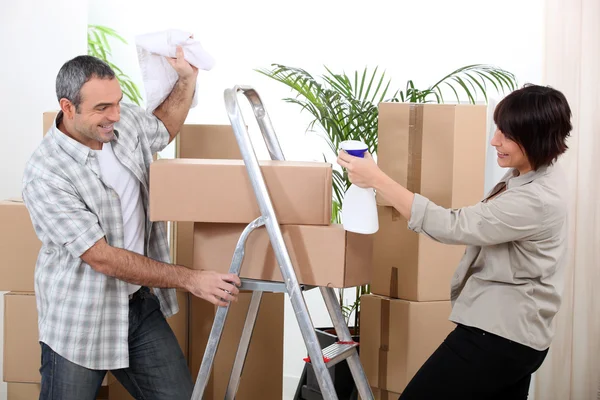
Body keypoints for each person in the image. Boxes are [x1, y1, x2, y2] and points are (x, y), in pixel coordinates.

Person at [22, 49, 241, 400]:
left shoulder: (122, 127)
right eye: (102, 108)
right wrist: (192, 279)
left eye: (118, 102)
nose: (116, 115)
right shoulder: (46, 173)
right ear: (68, 107)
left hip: (137, 305)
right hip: (80, 316)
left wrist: (187, 78)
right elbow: (102, 258)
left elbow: (163, 127)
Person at [337, 84, 572, 400]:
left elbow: (454, 226)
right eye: (498, 128)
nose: (494, 140)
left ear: (537, 137)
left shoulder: (536, 199)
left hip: (498, 337)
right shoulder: (529, 173)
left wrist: (377, 179)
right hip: (519, 338)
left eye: (507, 134)